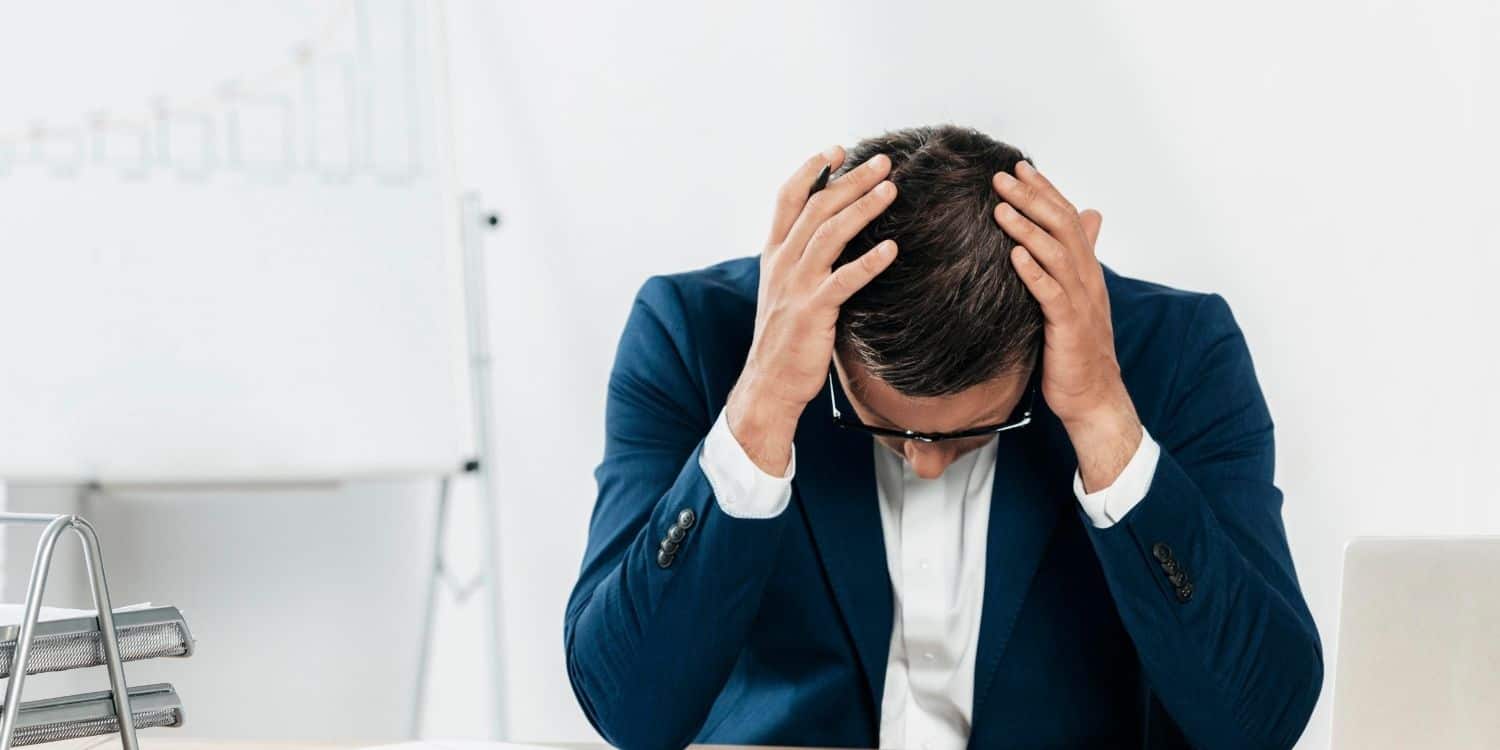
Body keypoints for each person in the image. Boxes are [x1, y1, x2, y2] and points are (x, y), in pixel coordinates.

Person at [564, 125, 1322, 750]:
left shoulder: (1177, 351)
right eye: (888, 426)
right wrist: (759, 405)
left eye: (976, 432)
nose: (925, 461)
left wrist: (1100, 414)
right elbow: (628, 710)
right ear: (833, 345)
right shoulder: (689, 335)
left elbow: (1258, 725)